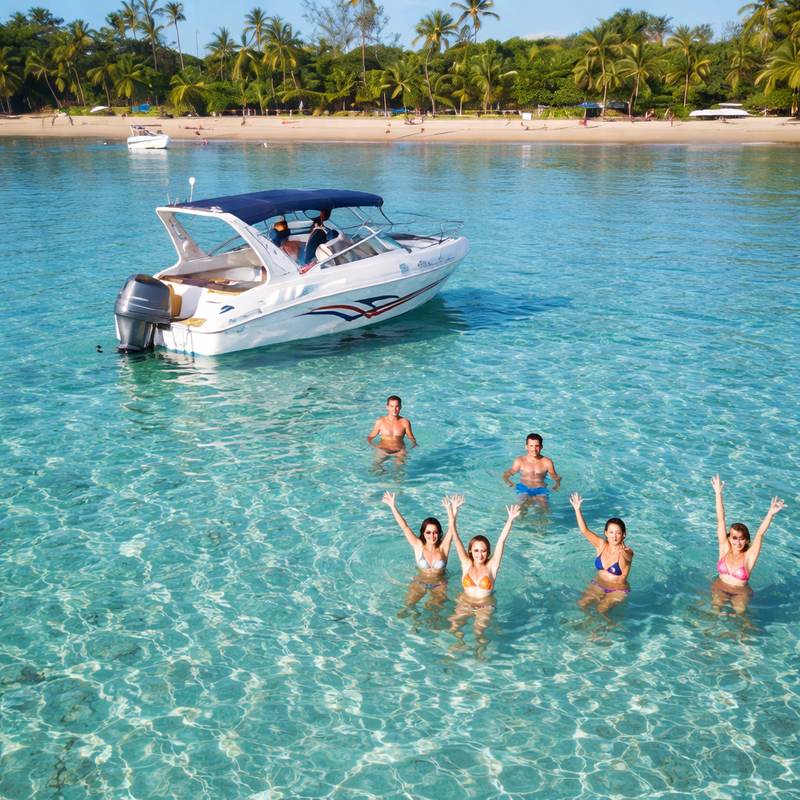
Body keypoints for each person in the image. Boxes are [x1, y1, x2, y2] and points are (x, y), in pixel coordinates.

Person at [447, 497, 521, 653]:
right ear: (470, 551)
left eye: (483, 551)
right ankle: (460, 643)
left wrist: (510, 520)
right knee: (453, 625)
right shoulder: (466, 564)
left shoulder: (492, 567)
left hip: (485, 605)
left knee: (477, 631)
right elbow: (455, 537)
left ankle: (480, 650)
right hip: (465, 602)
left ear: (488, 552)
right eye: (476, 550)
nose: (480, 554)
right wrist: (452, 512)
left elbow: (501, 542)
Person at [710, 474, 785, 614]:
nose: (738, 542)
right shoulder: (724, 548)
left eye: (742, 538)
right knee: (713, 611)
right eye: (734, 538)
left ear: (747, 540)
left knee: (739, 618)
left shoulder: (749, 556)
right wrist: (718, 493)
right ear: (729, 538)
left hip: (741, 594)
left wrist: (770, 514)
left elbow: (760, 533)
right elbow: (720, 519)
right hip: (719, 588)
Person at [382, 492, 455, 608]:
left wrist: (451, 511)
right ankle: (415, 622)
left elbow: (452, 529)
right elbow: (404, 527)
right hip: (419, 583)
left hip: (439, 584)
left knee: (434, 610)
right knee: (409, 606)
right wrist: (393, 506)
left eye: (435, 532)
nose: (432, 536)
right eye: (428, 532)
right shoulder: (418, 545)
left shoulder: (443, 548)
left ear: (440, 533)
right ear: (423, 533)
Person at [569, 493, 633, 614]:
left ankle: (603, 630)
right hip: (598, 584)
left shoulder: (627, 551)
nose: (614, 536)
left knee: (600, 610)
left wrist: (621, 551)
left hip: (617, 590)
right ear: (606, 533)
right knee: (581, 604)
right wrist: (577, 509)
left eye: (618, 533)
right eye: (611, 532)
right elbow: (584, 530)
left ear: (624, 535)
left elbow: (628, 556)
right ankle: (586, 625)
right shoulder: (600, 545)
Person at [502, 433, 562, 507]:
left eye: (537, 446)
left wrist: (557, 485)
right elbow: (507, 474)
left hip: (541, 489)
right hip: (523, 488)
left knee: (543, 508)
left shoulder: (547, 462)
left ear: (541, 447)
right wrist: (510, 483)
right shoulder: (520, 461)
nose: (534, 449)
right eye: (531, 446)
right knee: (520, 506)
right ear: (526, 447)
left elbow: (555, 476)